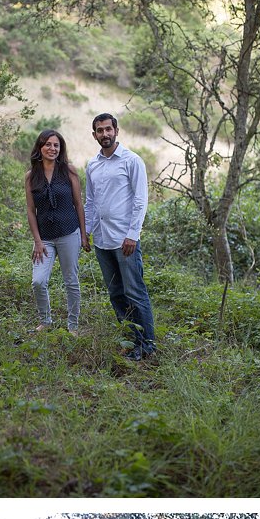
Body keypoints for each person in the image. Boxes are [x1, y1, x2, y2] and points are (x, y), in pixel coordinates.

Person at [85, 112, 156, 362]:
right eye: (99, 130)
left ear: (116, 131)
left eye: (108, 129)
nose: (105, 134)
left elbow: (140, 200)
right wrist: (87, 233)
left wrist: (133, 235)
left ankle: (147, 345)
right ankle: (129, 340)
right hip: (102, 241)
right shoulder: (92, 165)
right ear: (94, 135)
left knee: (135, 291)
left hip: (125, 240)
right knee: (115, 292)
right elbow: (91, 202)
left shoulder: (131, 160)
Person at [25, 129, 88, 335]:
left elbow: (79, 204)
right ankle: (46, 321)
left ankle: (73, 325)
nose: (52, 148)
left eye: (56, 145)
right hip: (45, 238)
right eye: (48, 144)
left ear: (60, 149)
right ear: (40, 147)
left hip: (69, 233)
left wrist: (83, 235)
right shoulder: (31, 176)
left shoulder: (69, 171)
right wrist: (37, 241)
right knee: (38, 281)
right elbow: (30, 211)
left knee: (71, 280)